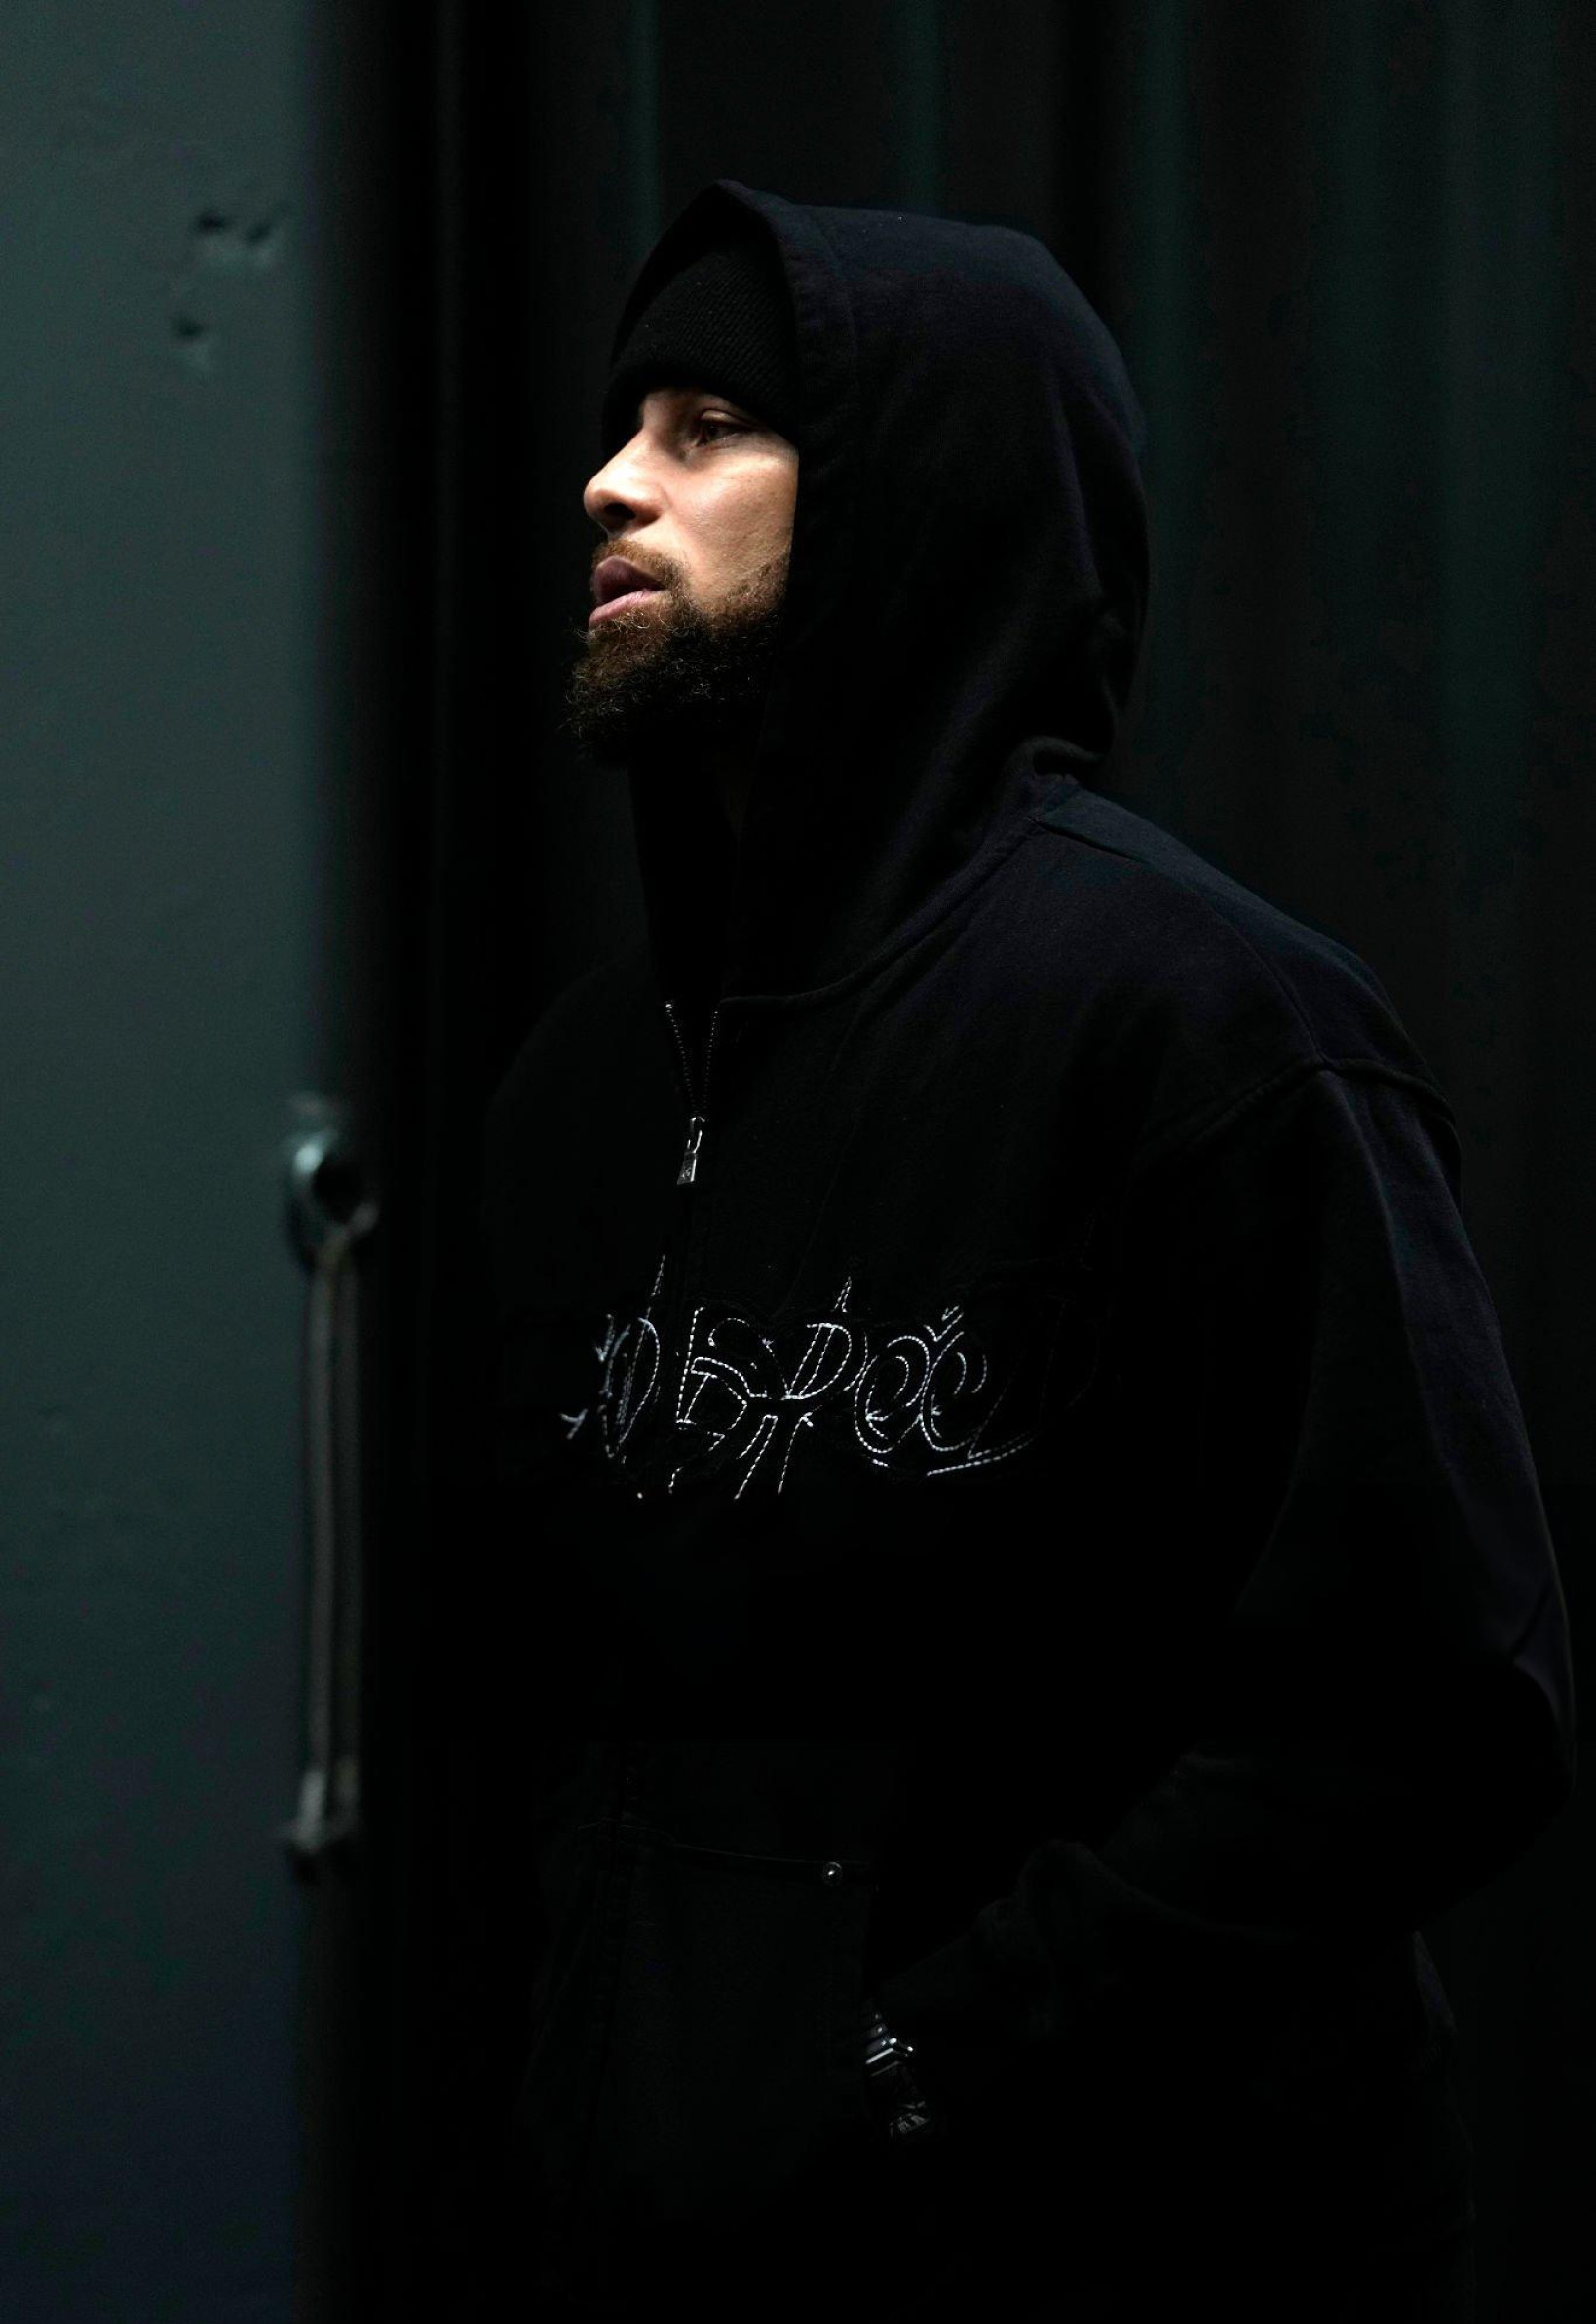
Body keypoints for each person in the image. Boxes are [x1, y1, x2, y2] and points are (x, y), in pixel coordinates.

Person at [477, 178, 1576, 2321]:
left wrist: (910, 2070)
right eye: (625, 421)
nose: (611, 478)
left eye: (713, 425)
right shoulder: (582, 1088)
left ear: (915, 494)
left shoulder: (1210, 1027)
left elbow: (1428, 1713)